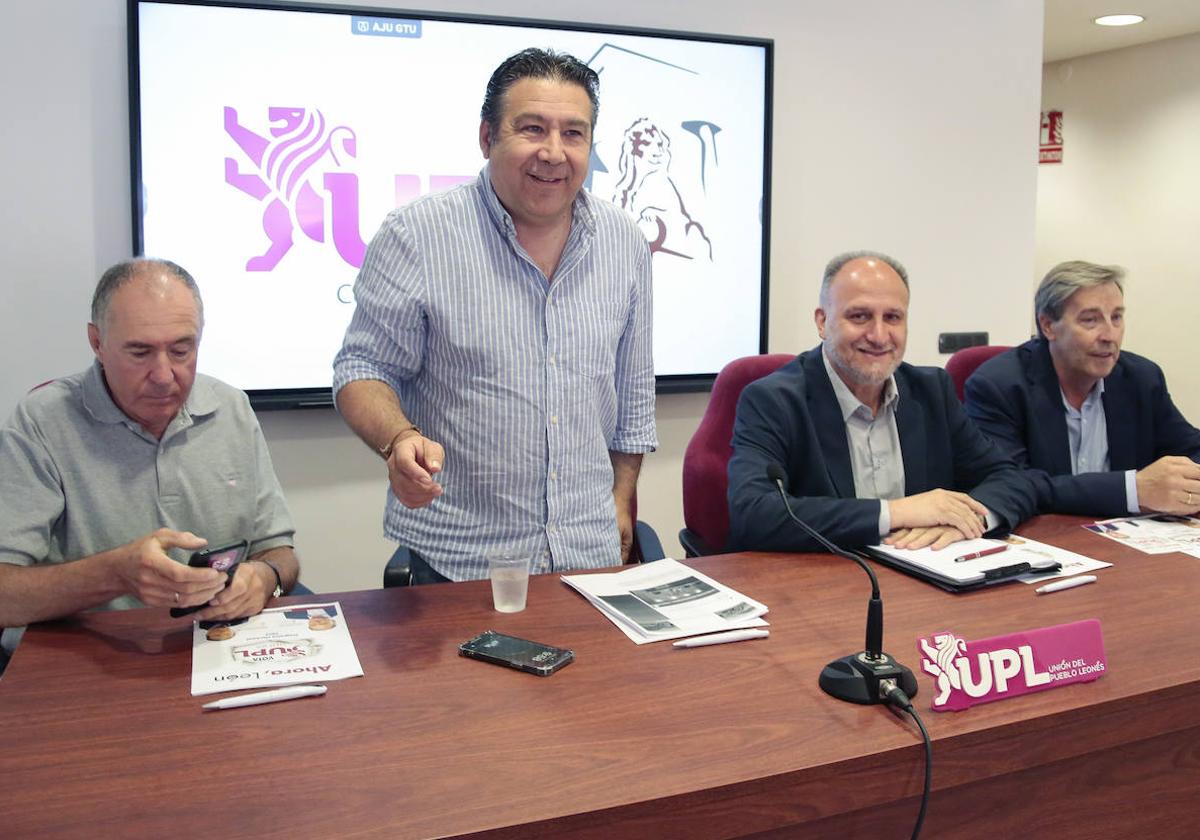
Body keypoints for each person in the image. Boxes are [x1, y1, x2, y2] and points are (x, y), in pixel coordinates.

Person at [333, 48, 656, 583]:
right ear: (487, 137)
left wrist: (621, 500)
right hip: (461, 564)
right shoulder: (416, 235)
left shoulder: (623, 241)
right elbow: (361, 371)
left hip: (588, 557)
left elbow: (633, 394)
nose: (553, 153)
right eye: (532, 128)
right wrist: (399, 440)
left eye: (573, 134)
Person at [0, 258, 300, 666]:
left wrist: (264, 579)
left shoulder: (231, 408)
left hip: (213, 650)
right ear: (97, 343)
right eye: (140, 352)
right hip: (89, 660)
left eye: (182, 350)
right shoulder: (41, 423)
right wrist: (116, 574)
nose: (164, 375)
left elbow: (279, 551)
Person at [726, 251, 1036, 553]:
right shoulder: (773, 400)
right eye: (859, 316)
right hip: (827, 584)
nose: (878, 335)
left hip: (928, 578)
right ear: (822, 322)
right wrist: (899, 512)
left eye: (893, 317)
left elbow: (1008, 477)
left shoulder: (932, 392)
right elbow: (754, 514)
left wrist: (965, 521)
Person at [964, 260, 1200, 517]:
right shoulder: (999, 385)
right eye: (1090, 320)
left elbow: (1191, 450)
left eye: (1117, 317)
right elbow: (1011, 483)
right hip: (1044, 539)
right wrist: (1132, 490)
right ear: (1048, 326)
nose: (1110, 335)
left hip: (1128, 542)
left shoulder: (1141, 378)